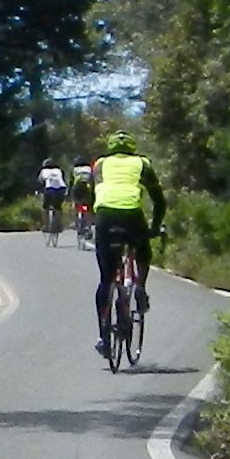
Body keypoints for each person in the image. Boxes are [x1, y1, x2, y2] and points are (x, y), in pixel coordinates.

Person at [88, 140, 158, 355]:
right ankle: (140, 287)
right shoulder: (142, 163)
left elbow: (92, 195)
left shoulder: (99, 164)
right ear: (132, 149)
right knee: (143, 251)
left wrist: (95, 220)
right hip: (132, 215)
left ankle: (103, 336)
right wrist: (154, 228)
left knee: (105, 279)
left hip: (105, 218)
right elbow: (159, 200)